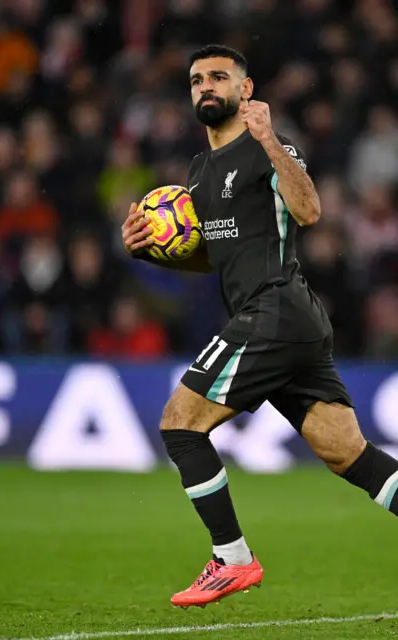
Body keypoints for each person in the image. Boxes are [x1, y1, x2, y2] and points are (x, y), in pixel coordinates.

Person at [121, 44, 398, 609]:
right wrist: (154, 251)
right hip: (284, 320)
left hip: (273, 310)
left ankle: (233, 559)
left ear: (245, 90)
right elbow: (214, 256)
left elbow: (310, 211)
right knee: (348, 454)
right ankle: (233, 558)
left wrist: (271, 139)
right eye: (197, 78)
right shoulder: (198, 171)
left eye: (219, 77)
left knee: (180, 424)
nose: (206, 86)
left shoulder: (267, 148)